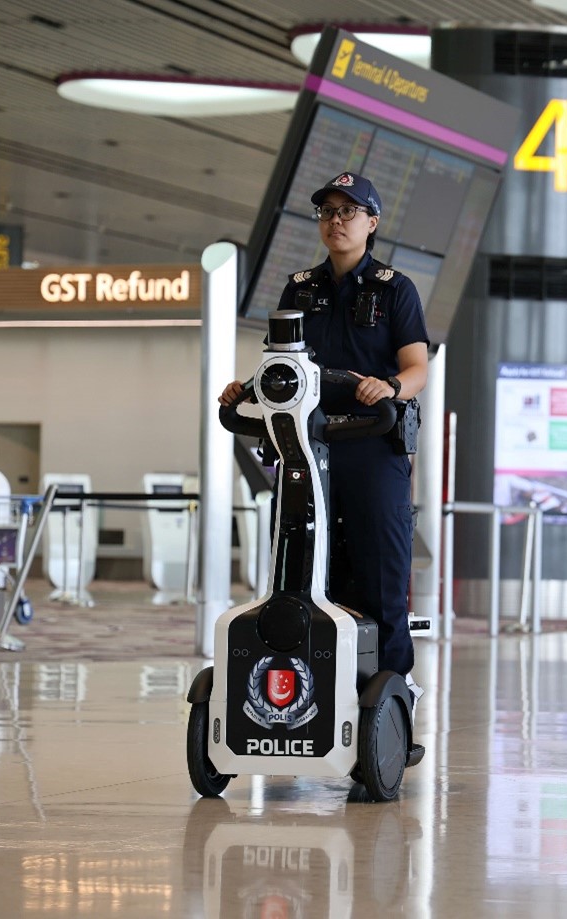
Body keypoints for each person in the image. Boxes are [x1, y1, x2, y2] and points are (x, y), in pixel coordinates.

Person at [221, 171, 429, 695]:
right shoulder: (300, 288)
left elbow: (417, 368)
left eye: (348, 212)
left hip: (373, 447)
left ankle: (391, 701)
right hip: (308, 450)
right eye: (328, 212)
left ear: (371, 223)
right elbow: (281, 364)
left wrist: (389, 387)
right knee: (307, 570)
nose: (336, 221)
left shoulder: (395, 290)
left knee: (381, 572)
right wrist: (246, 390)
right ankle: (316, 691)